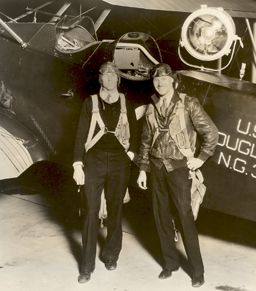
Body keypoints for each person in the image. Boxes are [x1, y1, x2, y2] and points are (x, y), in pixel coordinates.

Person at [137, 63, 218, 288]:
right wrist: (143, 169)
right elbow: (144, 141)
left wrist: (200, 158)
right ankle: (170, 264)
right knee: (160, 217)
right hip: (156, 168)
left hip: (180, 168)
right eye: (156, 80)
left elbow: (211, 132)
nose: (160, 83)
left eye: (164, 79)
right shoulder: (152, 107)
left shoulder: (188, 103)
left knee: (185, 218)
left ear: (173, 80)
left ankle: (197, 271)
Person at [72, 62, 138, 283]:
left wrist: (130, 156)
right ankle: (86, 266)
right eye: (105, 74)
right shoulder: (89, 102)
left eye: (113, 74)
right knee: (90, 211)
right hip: (94, 161)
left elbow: (135, 133)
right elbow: (81, 135)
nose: (109, 77)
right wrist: (77, 165)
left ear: (118, 79)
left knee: (116, 211)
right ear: (100, 78)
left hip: (120, 163)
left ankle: (111, 255)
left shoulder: (125, 102)